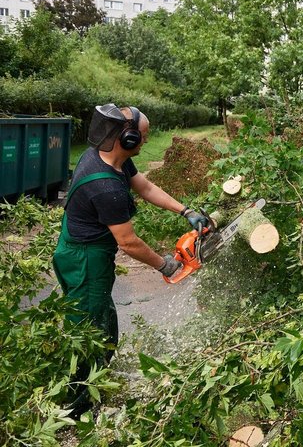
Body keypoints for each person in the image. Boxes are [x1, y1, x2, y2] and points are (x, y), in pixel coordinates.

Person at [52, 103, 208, 418]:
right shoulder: (105, 185)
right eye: (143, 136)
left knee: (99, 320)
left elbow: (145, 186)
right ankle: (76, 408)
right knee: (89, 331)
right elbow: (129, 242)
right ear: (127, 137)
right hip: (85, 259)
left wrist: (185, 211)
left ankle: (90, 386)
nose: (146, 141)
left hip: (82, 250)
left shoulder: (109, 156)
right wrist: (165, 264)